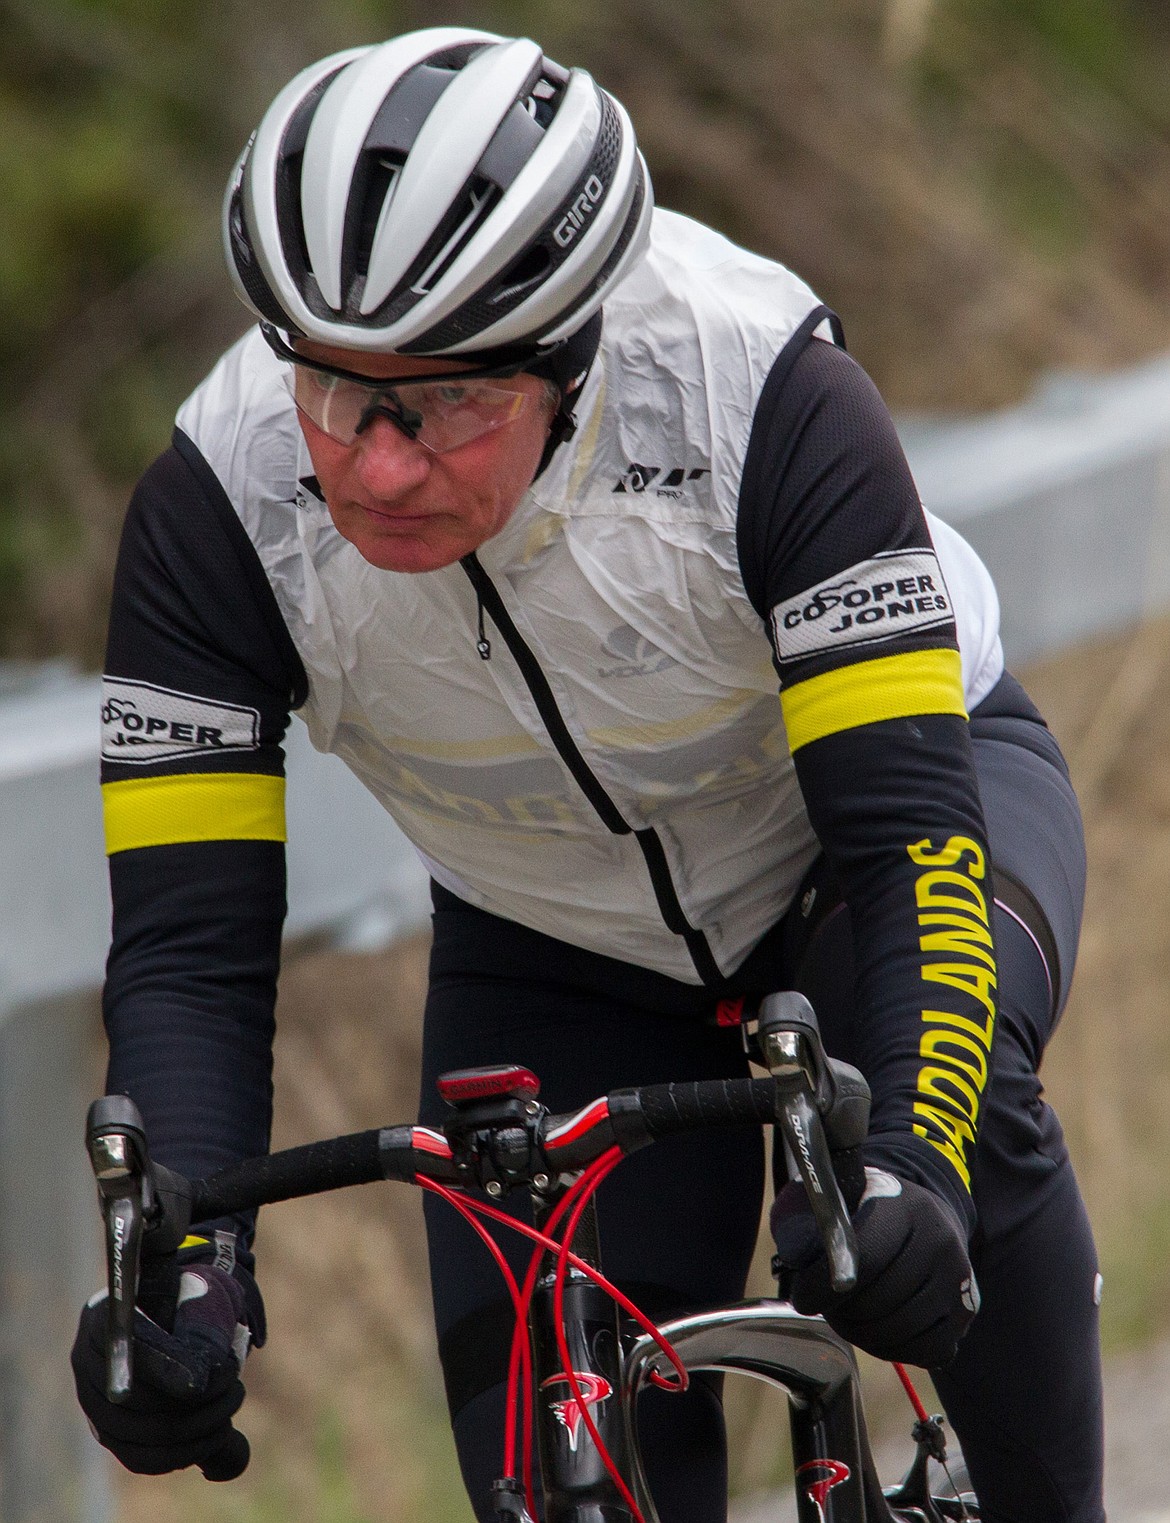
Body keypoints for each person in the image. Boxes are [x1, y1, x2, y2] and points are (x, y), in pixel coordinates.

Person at [71, 26, 1102, 1523]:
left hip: (868, 841)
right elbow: (187, 954)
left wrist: (916, 1177)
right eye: (330, 392)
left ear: (576, 354)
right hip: (551, 937)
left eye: (440, 406)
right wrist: (181, 1275)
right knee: (547, 1438)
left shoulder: (762, 396)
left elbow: (904, 847)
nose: (371, 464)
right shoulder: (214, 507)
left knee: (946, 1143)